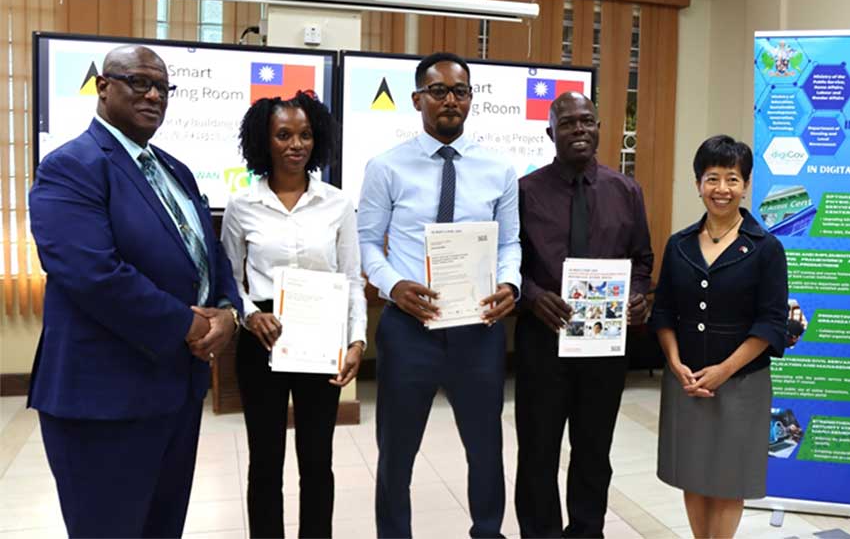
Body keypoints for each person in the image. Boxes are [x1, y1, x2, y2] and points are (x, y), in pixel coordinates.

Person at [28, 44, 242, 537]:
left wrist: (227, 311)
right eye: (138, 82)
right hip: (105, 399)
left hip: (174, 391)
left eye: (163, 87)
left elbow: (209, 253)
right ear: (103, 87)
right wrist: (190, 324)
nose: (153, 95)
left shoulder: (175, 169)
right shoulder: (70, 166)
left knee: (161, 527)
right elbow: (94, 275)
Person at [358, 52, 521, 538]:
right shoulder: (386, 166)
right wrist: (393, 286)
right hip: (410, 329)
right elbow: (367, 242)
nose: (450, 100)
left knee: (486, 446)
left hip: (478, 329)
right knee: (397, 449)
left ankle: (487, 531)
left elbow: (510, 241)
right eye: (439, 91)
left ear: (471, 99)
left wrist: (510, 284)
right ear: (417, 99)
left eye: (460, 91)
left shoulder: (499, 168)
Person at [221, 92, 367, 538]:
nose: (295, 144)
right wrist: (248, 315)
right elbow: (229, 279)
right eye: (283, 135)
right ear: (265, 142)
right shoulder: (242, 204)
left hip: (321, 338)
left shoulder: (337, 203)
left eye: (304, 134)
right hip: (263, 337)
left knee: (316, 459)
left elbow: (352, 277)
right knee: (264, 459)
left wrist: (356, 341)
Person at [514, 92, 653, 538]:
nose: (579, 129)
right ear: (550, 132)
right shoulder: (524, 191)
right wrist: (533, 295)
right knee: (537, 451)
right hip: (543, 342)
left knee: (594, 450)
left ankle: (587, 531)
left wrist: (637, 295)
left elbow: (642, 261)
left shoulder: (626, 191)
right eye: (568, 122)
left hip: (604, 346)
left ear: (599, 128)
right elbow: (507, 265)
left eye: (587, 121)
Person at [650, 135, 788, 539]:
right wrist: (675, 364)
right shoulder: (678, 245)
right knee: (694, 474)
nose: (722, 190)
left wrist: (724, 371)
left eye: (732, 179)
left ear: (746, 185)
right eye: (712, 178)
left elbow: (770, 323)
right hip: (687, 381)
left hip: (742, 383)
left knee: (729, 478)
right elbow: (663, 313)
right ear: (698, 184)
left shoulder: (766, 248)